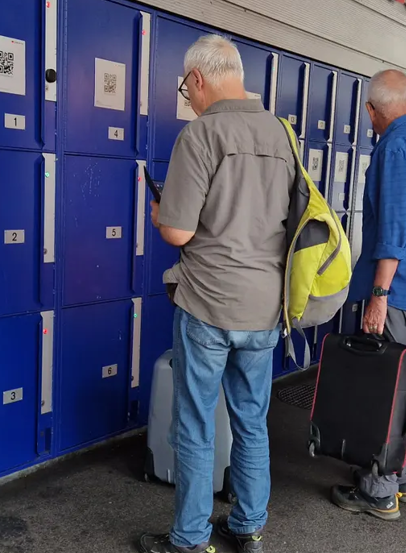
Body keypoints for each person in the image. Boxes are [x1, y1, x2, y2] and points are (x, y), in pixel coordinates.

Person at [140, 35, 296, 553]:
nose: (189, 97)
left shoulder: (202, 134)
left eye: (187, 87)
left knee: (195, 421)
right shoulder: (283, 133)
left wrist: (161, 214)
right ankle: (249, 526)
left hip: (208, 302)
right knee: (252, 419)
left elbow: (179, 233)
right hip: (264, 306)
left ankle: (189, 539)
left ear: (200, 79)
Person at [329, 69, 406, 521]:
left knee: (388, 387)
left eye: (369, 114)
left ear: (372, 110)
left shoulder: (394, 147)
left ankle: (379, 491)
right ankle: (404, 476)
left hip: (398, 290)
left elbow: (394, 230)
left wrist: (378, 293)